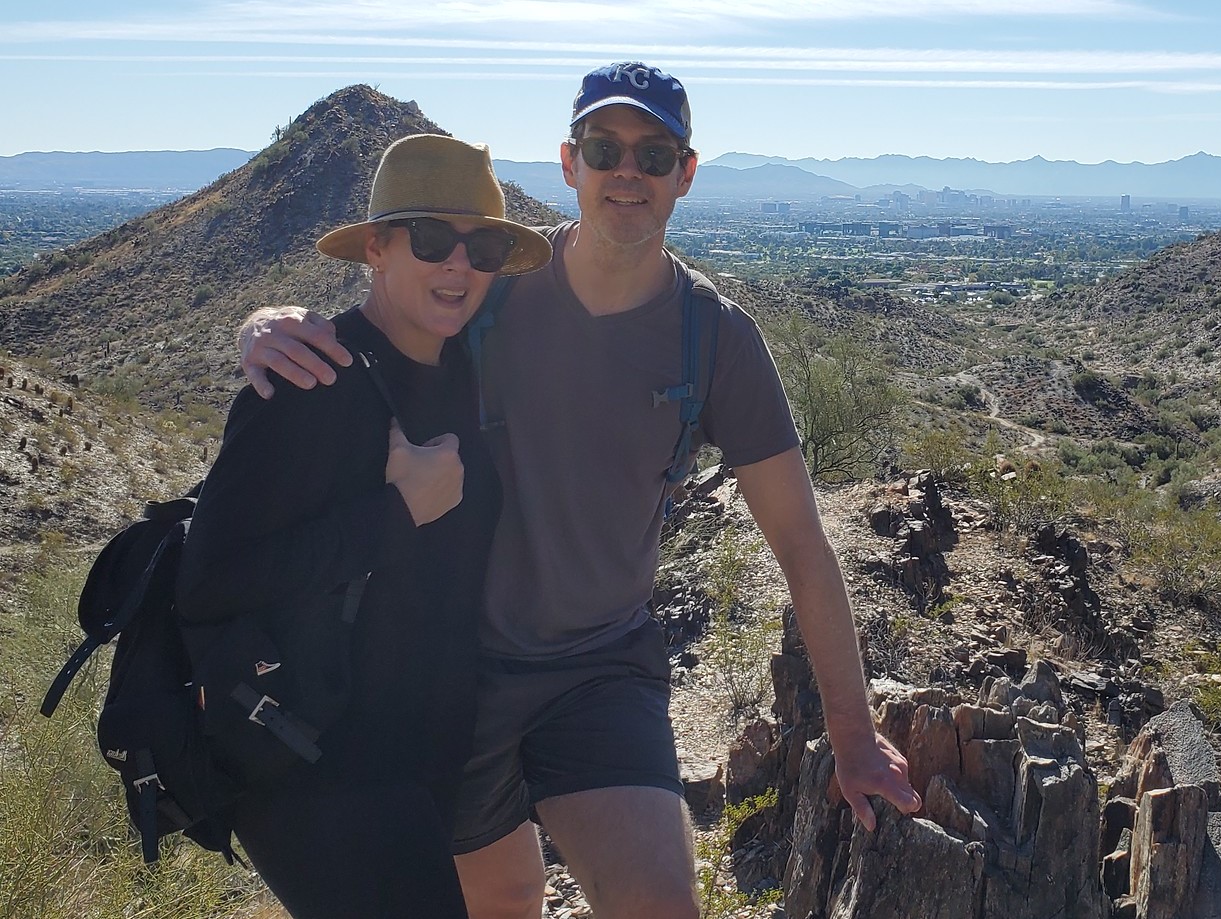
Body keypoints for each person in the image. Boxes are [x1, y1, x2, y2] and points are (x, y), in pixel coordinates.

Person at [237, 62, 922, 919]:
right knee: (506, 901)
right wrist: (268, 323)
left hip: (600, 667)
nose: (626, 171)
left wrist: (853, 739)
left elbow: (800, 544)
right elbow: (385, 307)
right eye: (605, 149)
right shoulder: (491, 285)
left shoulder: (713, 340)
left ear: (685, 172)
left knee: (659, 905)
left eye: (652, 152)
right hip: (450, 668)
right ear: (570, 163)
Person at [180, 133, 550, 918]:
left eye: (480, 245)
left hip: (424, 748)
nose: (458, 264)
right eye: (429, 239)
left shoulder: (465, 366)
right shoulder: (311, 377)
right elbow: (208, 581)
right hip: (316, 762)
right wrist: (394, 514)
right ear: (375, 249)